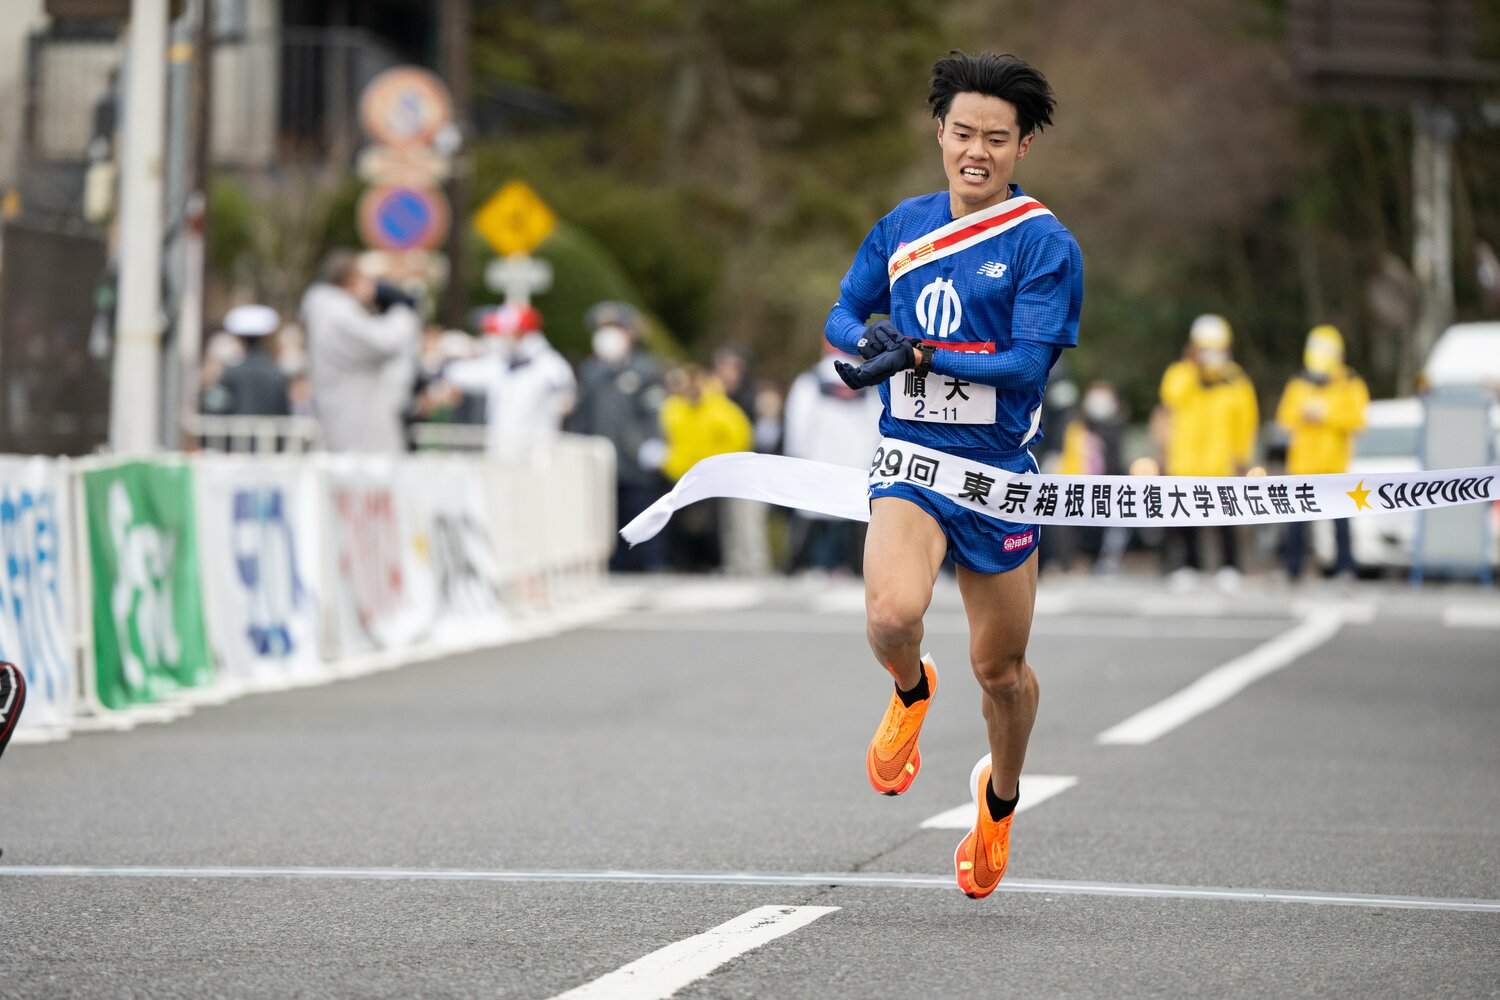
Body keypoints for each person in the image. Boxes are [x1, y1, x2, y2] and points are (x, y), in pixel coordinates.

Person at [824, 50, 1082, 899]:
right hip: (911, 461)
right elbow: (841, 309)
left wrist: (928, 351)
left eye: (997, 139)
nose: (978, 150)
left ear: (1022, 148)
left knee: (1001, 673)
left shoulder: (1045, 244)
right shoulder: (902, 226)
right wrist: (866, 344)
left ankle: (999, 804)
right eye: (963, 132)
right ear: (940, 132)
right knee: (893, 614)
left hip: (998, 475)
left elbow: (1027, 365)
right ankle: (909, 687)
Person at [1158, 313, 1258, 589]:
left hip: (1221, 462)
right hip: (1185, 460)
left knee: (1225, 514)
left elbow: (1246, 421)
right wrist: (1194, 369)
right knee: (1184, 514)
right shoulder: (1180, 374)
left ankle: (1229, 566)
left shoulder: (1236, 380)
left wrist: (1243, 457)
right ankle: (1190, 566)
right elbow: (1170, 399)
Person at [569, 303, 670, 572]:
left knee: (640, 509)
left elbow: (654, 410)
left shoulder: (644, 369)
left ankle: (651, 561)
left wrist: (654, 442)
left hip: (633, 460)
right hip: (599, 460)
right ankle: (611, 564)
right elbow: (582, 416)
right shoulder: (591, 371)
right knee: (602, 516)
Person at [302, 249, 421, 454]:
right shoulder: (337, 315)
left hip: (352, 413)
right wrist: (402, 310)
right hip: (354, 419)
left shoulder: (330, 310)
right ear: (352, 280)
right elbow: (385, 342)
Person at [1276, 324, 1368, 580]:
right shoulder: (1299, 383)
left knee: (1341, 523)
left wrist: (1327, 414)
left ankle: (1346, 568)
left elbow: (1359, 419)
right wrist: (1305, 412)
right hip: (1303, 465)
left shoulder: (1350, 383)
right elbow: (1284, 417)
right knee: (1296, 523)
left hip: (1335, 466)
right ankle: (1292, 569)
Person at [782, 347, 884, 575]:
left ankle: (804, 567)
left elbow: (798, 423)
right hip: (857, 464)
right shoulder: (866, 379)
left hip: (818, 462)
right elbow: (878, 423)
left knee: (811, 519)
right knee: (856, 522)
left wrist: (797, 457)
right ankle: (858, 569)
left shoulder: (810, 380)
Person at [442, 303, 576, 452]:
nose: (499, 338)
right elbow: (459, 374)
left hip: (537, 456)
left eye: (504, 333)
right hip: (501, 453)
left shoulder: (551, 367)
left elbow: (565, 402)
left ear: (521, 333)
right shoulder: (502, 364)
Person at [657, 365, 753, 572]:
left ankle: (712, 562)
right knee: (680, 524)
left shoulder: (720, 408)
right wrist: (669, 462)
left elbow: (740, 437)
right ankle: (682, 562)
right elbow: (664, 437)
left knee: (712, 524)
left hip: (712, 476)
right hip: (679, 474)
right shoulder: (673, 407)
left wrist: (720, 463)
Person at [216, 304, 291, 417]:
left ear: (239, 338)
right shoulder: (277, 374)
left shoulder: (230, 373)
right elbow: (284, 411)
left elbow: (217, 408)